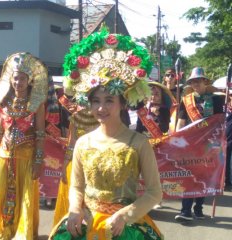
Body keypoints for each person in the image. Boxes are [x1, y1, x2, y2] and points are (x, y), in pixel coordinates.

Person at [49, 27, 163, 239]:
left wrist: (125, 215)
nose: (101, 108)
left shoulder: (138, 143)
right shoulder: (83, 143)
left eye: (109, 101)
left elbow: (154, 192)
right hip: (87, 223)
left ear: (122, 103)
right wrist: (74, 209)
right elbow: (77, 186)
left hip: (124, 227)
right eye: (96, 101)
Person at [0, 52, 48, 239]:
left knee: (26, 199)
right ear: (10, 79)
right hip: (4, 157)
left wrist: (38, 161)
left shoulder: (36, 104)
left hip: (26, 158)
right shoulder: (4, 102)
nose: (18, 82)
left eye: (22, 79)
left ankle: (23, 234)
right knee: (0, 193)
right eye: (15, 78)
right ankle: (5, 231)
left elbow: (40, 134)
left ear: (29, 81)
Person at [175, 67, 224, 222]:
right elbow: (181, 122)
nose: (195, 83)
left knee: (203, 177)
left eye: (198, 80)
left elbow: (220, 122)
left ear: (205, 81)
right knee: (189, 176)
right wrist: (176, 141)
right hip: (190, 144)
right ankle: (185, 211)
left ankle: (198, 209)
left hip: (209, 144)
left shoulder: (217, 99)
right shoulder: (186, 100)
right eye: (192, 81)